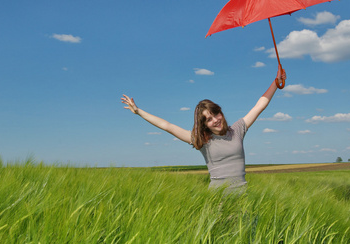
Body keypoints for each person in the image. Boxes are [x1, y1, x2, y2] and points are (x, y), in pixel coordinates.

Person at [121, 70, 286, 192]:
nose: (215, 120)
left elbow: (259, 106)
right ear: (205, 124)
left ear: (221, 112)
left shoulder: (237, 130)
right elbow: (168, 126)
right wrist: (139, 111)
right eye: (209, 119)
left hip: (242, 196)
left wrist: (275, 82)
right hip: (217, 199)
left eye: (216, 114)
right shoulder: (202, 140)